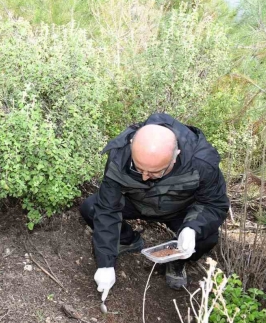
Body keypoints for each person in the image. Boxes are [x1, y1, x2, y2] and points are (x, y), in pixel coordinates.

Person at [81, 113, 229, 300]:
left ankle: (176, 261)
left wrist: (192, 228)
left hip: (180, 210)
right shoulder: (121, 153)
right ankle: (128, 240)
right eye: (138, 168)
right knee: (91, 208)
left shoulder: (201, 162)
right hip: (137, 202)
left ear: (176, 156)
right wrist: (105, 264)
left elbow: (214, 204)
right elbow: (107, 208)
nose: (144, 177)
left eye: (154, 172)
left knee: (207, 236)